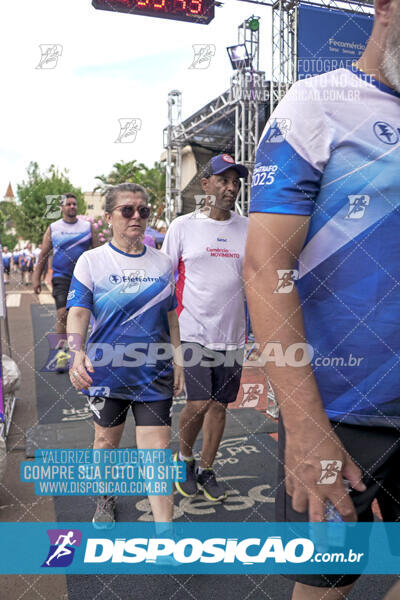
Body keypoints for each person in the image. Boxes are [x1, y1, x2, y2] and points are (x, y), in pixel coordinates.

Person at [244, 0, 400, 598]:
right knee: (324, 585)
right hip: (340, 413)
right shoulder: (317, 102)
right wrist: (306, 429)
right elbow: (264, 269)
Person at [66, 182, 184, 528]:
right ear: (108, 217)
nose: (136, 216)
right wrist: (76, 353)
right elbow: (77, 312)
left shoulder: (163, 262)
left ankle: (165, 530)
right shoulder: (92, 260)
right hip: (107, 371)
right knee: (105, 441)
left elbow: (171, 315)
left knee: (158, 453)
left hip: (154, 373)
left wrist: (178, 358)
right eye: (127, 210)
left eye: (143, 210)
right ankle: (104, 498)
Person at [162, 153, 248, 502]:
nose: (231, 187)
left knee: (219, 407)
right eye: (224, 180)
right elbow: (164, 281)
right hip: (192, 331)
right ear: (205, 184)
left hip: (233, 334)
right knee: (198, 402)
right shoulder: (183, 226)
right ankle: (184, 459)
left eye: (236, 182)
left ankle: (207, 468)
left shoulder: (248, 228)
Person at [33, 194, 98, 372]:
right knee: (63, 313)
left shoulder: (87, 227)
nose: (72, 206)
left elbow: (98, 252)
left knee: (82, 314)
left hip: (84, 277)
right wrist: (36, 278)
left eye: (74, 204)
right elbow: (44, 254)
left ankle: (79, 353)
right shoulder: (54, 228)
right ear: (61, 207)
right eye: (68, 204)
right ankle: (61, 355)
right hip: (61, 276)